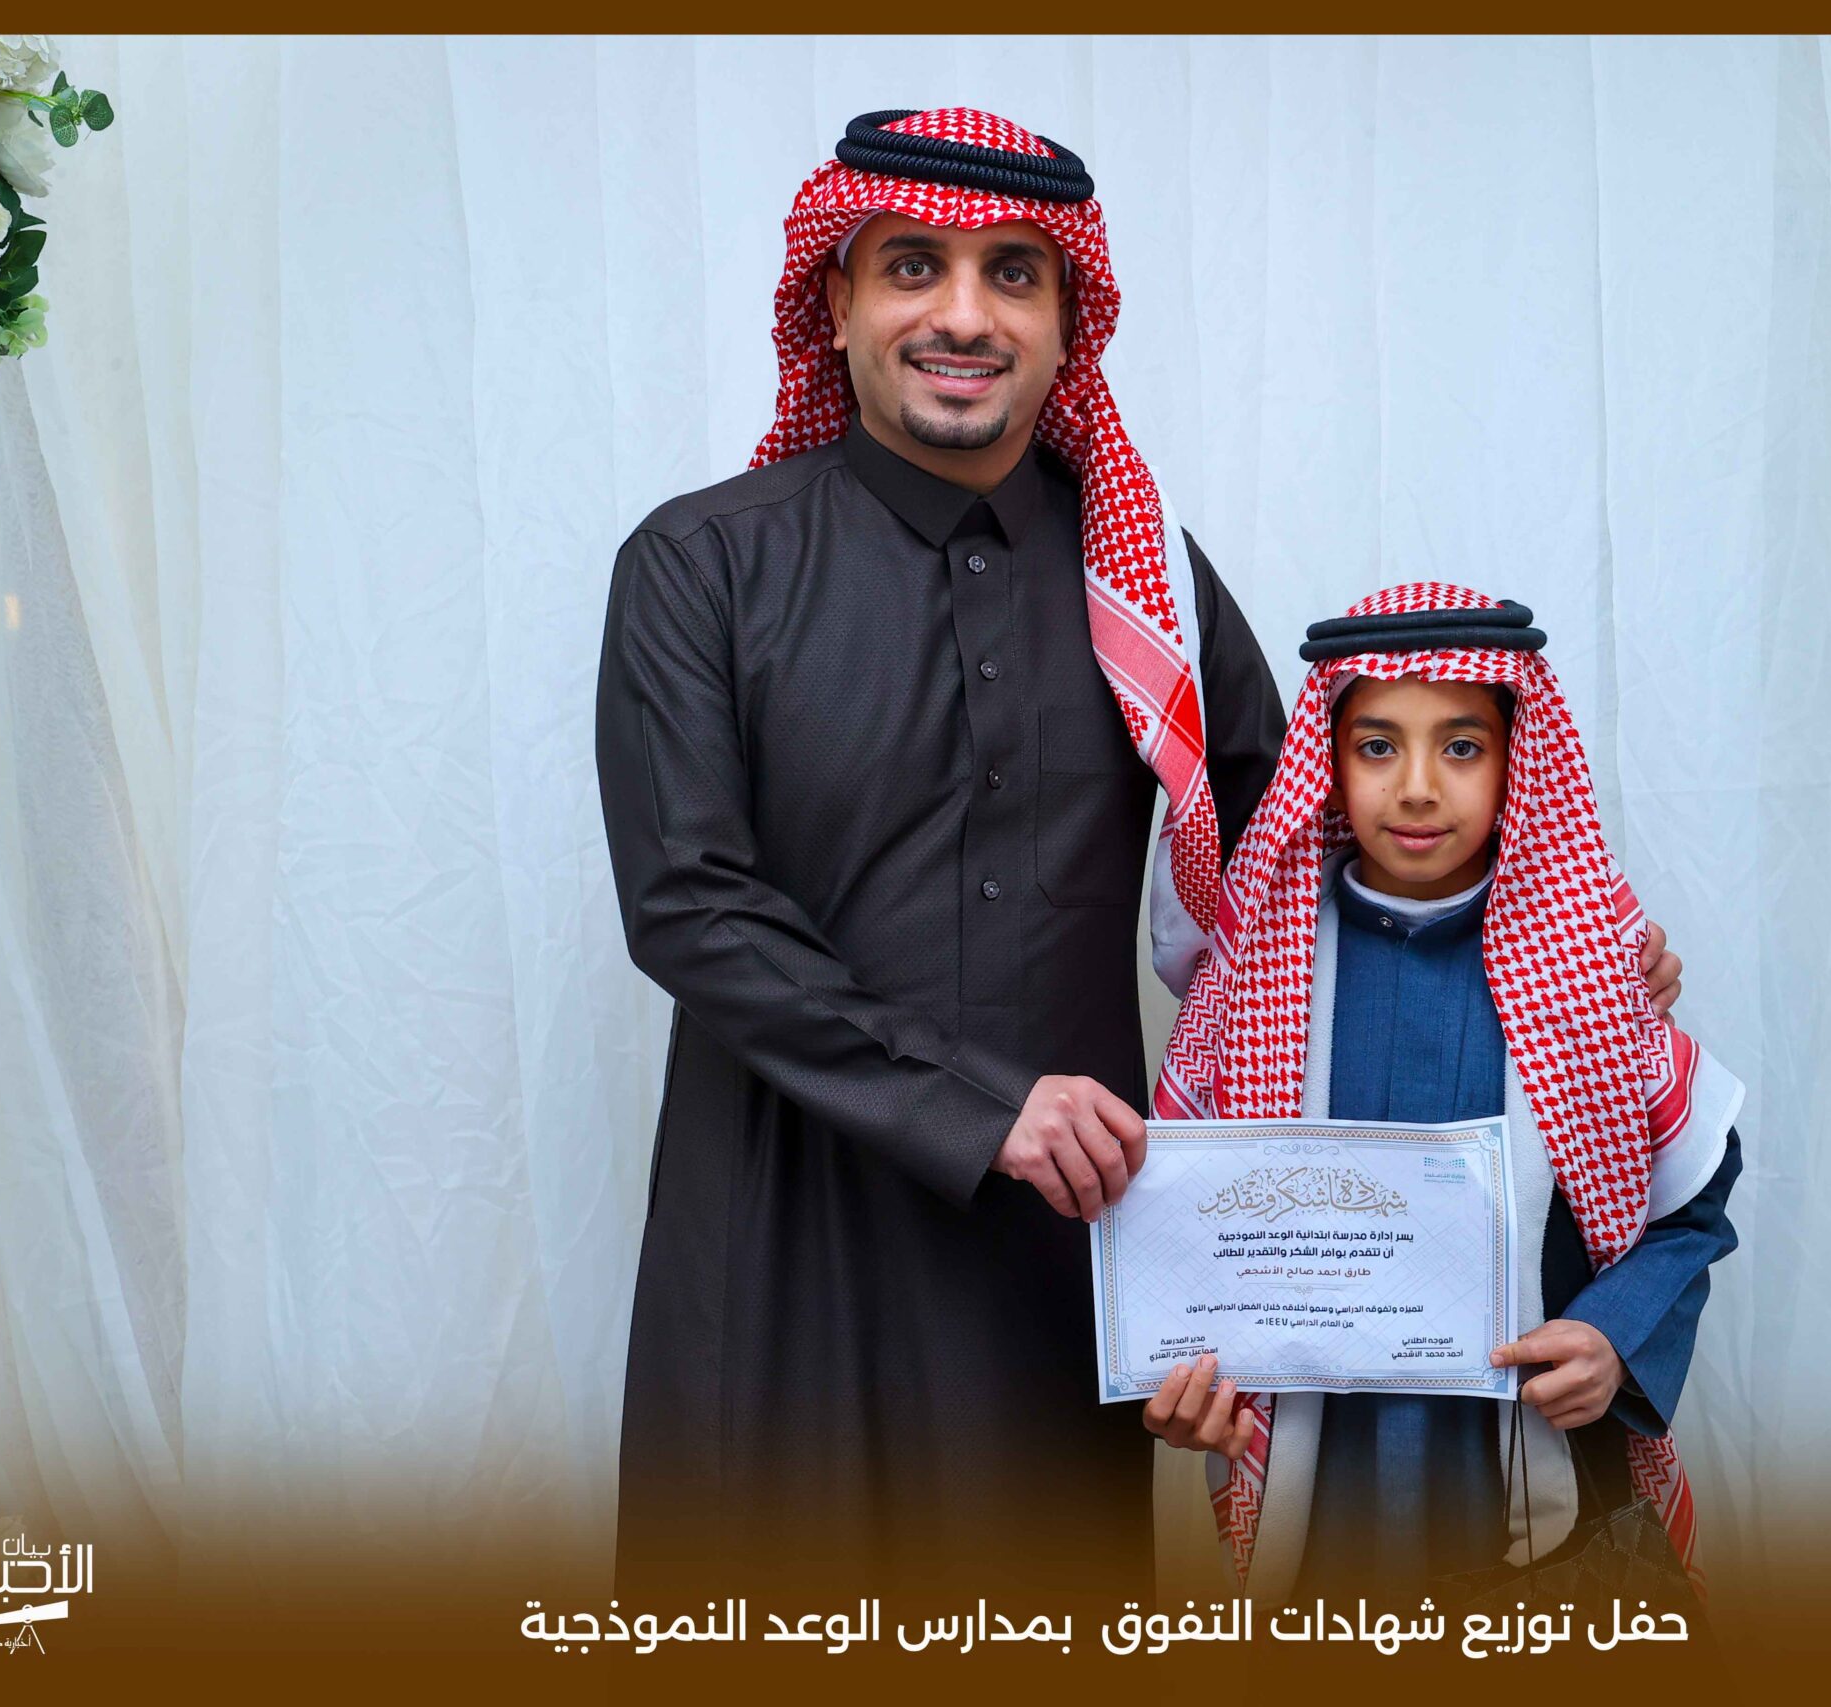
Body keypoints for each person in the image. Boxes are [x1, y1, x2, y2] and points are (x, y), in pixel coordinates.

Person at [596, 109, 1687, 1595]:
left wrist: (1560, 949)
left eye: (1014, 275)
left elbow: (1301, 857)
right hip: (783, 1220)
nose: (964, 315)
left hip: (1068, 1246)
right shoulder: (701, 563)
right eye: (913, 267)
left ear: (1069, 322)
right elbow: (689, 905)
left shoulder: (1143, 586)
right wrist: (982, 1106)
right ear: (834, 302)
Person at [1141, 583, 1743, 1601]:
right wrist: (1182, 1373)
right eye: (1377, 746)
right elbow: (1185, 1225)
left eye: (1461, 747)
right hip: (1323, 1486)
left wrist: (1613, 1337)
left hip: (1539, 1473)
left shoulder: (1587, 964)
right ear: (1329, 764)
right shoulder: (1254, 974)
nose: (1417, 787)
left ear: (1517, 760)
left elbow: (1693, 1200)